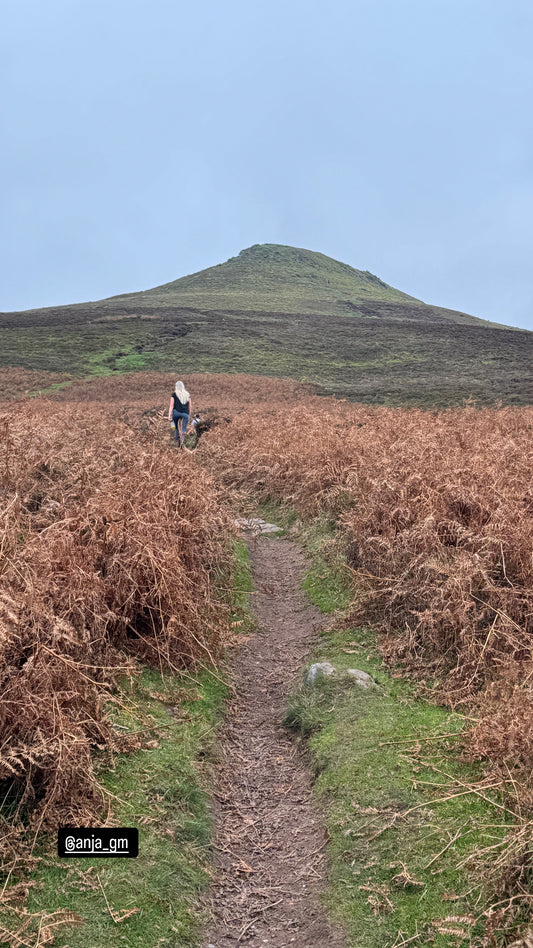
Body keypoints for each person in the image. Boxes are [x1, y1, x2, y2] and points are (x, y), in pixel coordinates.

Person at [168, 381, 191, 446]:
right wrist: (189, 415)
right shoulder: (187, 395)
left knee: (177, 427)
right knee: (183, 428)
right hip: (185, 414)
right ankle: (182, 442)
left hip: (176, 413)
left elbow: (171, 406)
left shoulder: (174, 394)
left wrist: (169, 415)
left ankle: (177, 440)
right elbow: (190, 406)